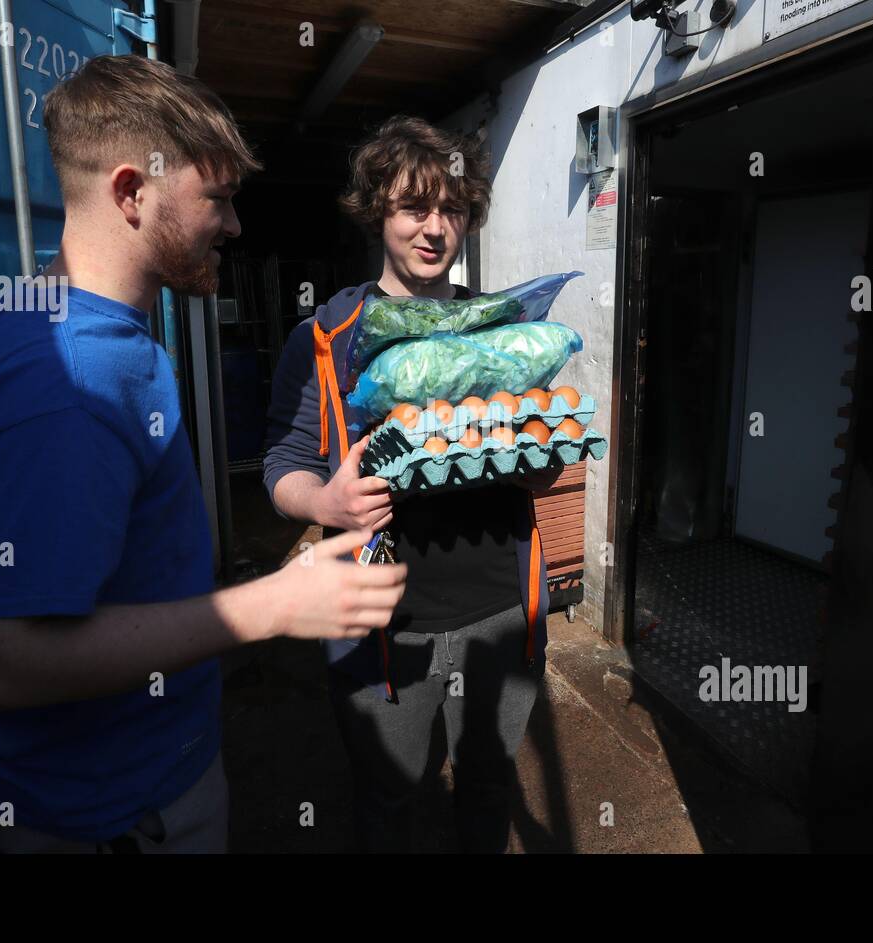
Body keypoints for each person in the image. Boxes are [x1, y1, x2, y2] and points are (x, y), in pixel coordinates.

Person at [0, 55, 405, 854]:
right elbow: (3, 659)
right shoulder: (68, 382)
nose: (235, 224)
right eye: (215, 198)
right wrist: (275, 604)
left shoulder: (82, 330)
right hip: (114, 819)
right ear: (130, 192)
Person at [263, 115, 556, 853]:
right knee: (389, 799)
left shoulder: (501, 331)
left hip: (501, 611)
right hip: (383, 625)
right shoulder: (327, 336)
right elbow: (281, 464)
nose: (434, 228)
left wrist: (543, 453)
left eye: (451, 208)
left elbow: (543, 459)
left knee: (487, 788)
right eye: (412, 208)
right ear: (377, 212)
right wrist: (323, 501)